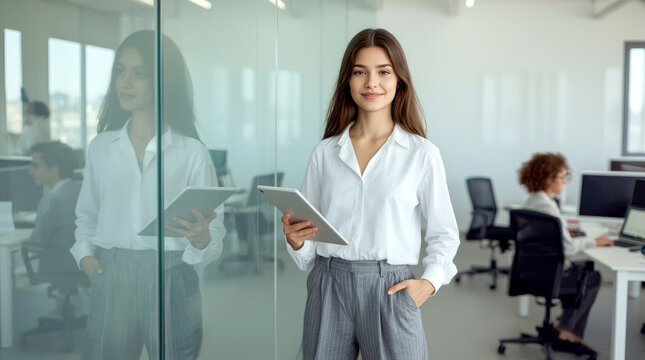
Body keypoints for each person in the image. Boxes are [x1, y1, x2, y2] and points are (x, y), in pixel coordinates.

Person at [281, 28, 460, 360]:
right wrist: (296, 240)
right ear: (348, 81)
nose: (371, 83)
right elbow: (307, 244)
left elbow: (444, 234)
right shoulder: (325, 153)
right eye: (360, 72)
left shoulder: (422, 154)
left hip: (390, 288)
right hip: (329, 282)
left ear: (399, 80)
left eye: (383, 72)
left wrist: (428, 283)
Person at [69, 30, 225, 360]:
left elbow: (214, 235)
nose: (125, 82)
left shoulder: (192, 153)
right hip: (111, 272)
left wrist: (200, 238)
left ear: (162, 81)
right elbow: (87, 215)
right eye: (120, 71)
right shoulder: (101, 148)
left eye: (139, 74)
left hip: (172, 275)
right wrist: (85, 257)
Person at [518, 152, 612, 353]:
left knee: (585, 267)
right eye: (562, 177)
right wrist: (596, 241)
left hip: (531, 271)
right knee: (592, 277)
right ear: (548, 179)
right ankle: (566, 331)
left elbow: (541, 235)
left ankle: (563, 325)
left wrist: (562, 232)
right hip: (550, 275)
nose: (564, 181)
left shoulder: (534, 200)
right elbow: (568, 248)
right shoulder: (547, 206)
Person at [29, 141, 81, 274]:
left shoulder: (51, 200)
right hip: (83, 263)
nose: (31, 171)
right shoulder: (82, 191)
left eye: (36, 166)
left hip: (59, 266)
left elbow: (36, 243)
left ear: (55, 168)